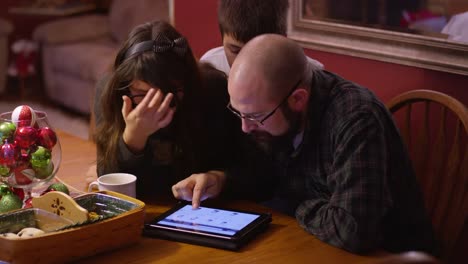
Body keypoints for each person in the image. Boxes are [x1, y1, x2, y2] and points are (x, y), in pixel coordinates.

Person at [172, 34, 437, 255]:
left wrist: (292, 201)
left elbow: (353, 231)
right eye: (237, 112)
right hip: (316, 246)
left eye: (254, 116)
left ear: (297, 99)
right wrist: (220, 179)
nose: (245, 126)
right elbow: (264, 176)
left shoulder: (356, 118)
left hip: (390, 256)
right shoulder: (269, 110)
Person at [94, 20, 239, 197]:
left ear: (186, 82)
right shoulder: (112, 94)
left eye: (168, 94)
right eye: (142, 93)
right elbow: (109, 183)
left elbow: (244, 162)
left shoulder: (212, 89)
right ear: (126, 85)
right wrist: (133, 138)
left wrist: (218, 177)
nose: (155, 104)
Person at [200, 0, 323, 75]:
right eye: (236, 51)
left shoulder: (311, 75)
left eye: (258, 51)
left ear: (282, 39)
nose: (245, 63)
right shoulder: (211, 67)